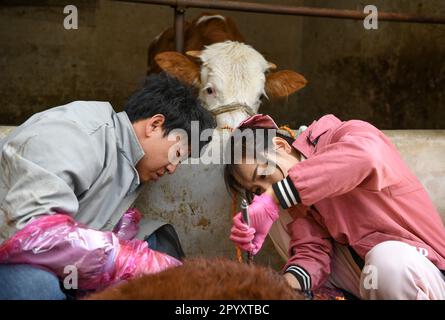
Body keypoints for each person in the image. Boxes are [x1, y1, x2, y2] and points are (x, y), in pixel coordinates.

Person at [0, 73, 216, 299]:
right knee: (36, 286)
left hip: (41, 255)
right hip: (11, 251)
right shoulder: (77, 133)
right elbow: (27, 229)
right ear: (155, 125)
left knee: (157, 238)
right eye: (177, 154)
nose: (173, 168)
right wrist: (121, 258)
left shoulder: (128, 160)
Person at [225, 113, 445, 300]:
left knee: (387, 261)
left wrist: (274, 196)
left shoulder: (346, 133)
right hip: (373, 283)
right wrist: (279, 288)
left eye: (263, 175)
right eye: (258, 190)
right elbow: (311, 252)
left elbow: (368, 157)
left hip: (429, 273)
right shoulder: (298, 203)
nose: (266, 189)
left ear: (280, 146)